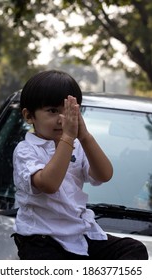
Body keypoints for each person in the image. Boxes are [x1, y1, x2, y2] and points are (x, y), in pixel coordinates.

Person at [11, 69, 148, 260]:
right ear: (29, 116)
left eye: (68, 111)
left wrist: (84, 136)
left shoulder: (76, 145)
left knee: (133, 249)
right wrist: (68, 137)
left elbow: (104, 175)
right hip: (41, 238)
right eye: (52, 111)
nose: (62, 119)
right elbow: (49, 184)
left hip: (79, 233)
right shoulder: (26, 150)